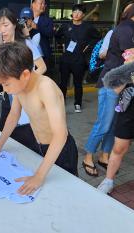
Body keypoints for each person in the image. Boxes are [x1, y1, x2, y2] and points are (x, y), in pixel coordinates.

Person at [0, 42, 78, 195]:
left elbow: (60, 135)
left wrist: (39, 175)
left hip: (60, 150)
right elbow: (13, 115)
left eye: (6, 84)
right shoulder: (21, 87)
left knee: (66, 192)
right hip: (38, 144)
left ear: (24, 74)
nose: (5, 89)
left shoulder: (46, 88)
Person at [82, 3, 134, 176]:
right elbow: (130, 60)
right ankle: (88, 157)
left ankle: (105, 156)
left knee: (112, 125)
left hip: (120, 85)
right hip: (112, 84)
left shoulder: (127, 29)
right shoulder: (126, 29)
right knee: (104, 124)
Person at [0, 8, 46, 153]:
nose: (2, 30)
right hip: (7, 96)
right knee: (6, 131)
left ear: (14, 25)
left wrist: (24, 84)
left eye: (6, 25)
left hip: (24, 95)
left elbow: (42, 67)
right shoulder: (0, 46)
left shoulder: (26, 44)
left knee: (25, 138)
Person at [97, 62, 134, 194]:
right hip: (129, 109)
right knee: (118, 148)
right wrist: (128, 68)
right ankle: (108, 181)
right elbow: (113, 87)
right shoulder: (131, 60)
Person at [55, 4, 100, 113]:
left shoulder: (88, 27)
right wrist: (61, 44)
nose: (76, 14)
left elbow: (98, 38)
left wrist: (88, 47)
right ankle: (62, 100)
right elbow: (57, 36)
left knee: (78, 83)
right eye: (74, 11)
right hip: (66, 59)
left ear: (83, 14)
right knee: (63, 82)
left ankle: (78, 103)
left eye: (79, 12)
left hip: (79, 60)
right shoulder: (66, 26)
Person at [30, 0, 54, 72]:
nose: (43, 5)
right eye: (41, 3)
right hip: (27, 56)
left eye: (44, 4)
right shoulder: (26, 18)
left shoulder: (47, 20)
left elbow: (50, 33)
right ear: (33, 4)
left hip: (42, 56)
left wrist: (37, 27)